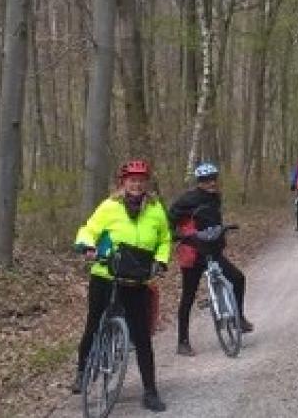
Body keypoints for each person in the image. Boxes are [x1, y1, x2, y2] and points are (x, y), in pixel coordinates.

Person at [72, 159, 170, 412]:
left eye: (140, 181)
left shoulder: (156, 209)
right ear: (123, 183)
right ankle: (83, 371)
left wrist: (160, 260)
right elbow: (89, 229)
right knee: (93, 324)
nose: (136, 184)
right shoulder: (109, 206)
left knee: (142, 337)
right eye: (131, 180)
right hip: (106, 274)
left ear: (146, 183)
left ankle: (150, 391)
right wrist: (87, 246)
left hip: (137, 280)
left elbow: (164, 239)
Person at [168, 162, 254, 357]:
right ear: (199, 182)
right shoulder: (187, 199)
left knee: (238, 278)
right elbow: (170, 221)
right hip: (192, 253)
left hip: (212, 252)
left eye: (214, 178)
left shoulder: (216, 197)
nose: (211, 182)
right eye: (207, 180)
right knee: (188, 297)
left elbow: (212, 220)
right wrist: (180, 235)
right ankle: (182, 342)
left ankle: (239, 318)